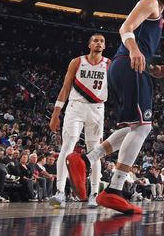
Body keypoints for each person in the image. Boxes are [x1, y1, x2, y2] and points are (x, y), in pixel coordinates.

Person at [66, 0, 164, 214]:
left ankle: (85, 160)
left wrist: (153, 70)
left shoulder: (158, 15)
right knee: (143, 127)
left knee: (133, 127)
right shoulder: (150, 3)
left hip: (128, 65)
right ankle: (114, 190)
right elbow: (125, 28)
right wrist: (135, 50)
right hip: (127, 62)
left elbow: (142, 50)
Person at [48, 34, 110, 208]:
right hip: (75, 107)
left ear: (104, 46)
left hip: (97, 109)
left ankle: (94, 194)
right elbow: (66, 86)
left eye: (102, 41)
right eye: (96, 40)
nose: (99, 43)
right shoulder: (77, 62)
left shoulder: (109, 64)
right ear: (89, 44)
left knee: (95, 152)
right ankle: (59, 192)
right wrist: (56, 113)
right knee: (67, 147)